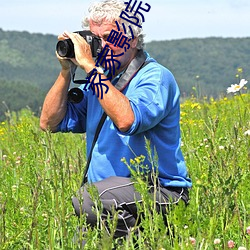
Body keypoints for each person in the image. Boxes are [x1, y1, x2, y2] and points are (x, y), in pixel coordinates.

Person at [40, 0, 192, 244]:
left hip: (160, 192)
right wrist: (66, 70)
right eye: (94, 37)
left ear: (131, 38)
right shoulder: (99, 80)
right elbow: (49, 123)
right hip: (109, 199)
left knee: (88, 200)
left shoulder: (154, 77)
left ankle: (146, 241)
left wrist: (90, 67)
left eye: (109, 37)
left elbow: (127, 120)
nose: (100, 46)